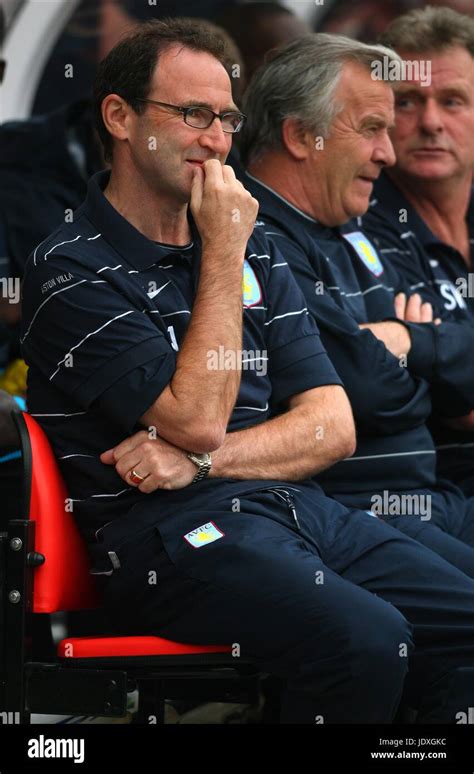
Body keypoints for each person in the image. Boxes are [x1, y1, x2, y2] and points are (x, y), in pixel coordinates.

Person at [20, 19, 474, 724]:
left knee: (462, 626)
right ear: (118, 116)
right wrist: (224, 252)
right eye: (192, 115)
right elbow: (197, 417)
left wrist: (202, 463)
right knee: (368, 641)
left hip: (294, 506)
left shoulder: (251, 244)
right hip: (163, 541)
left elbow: (331, 427)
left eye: (226, 118)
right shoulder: (70, 267)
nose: (215, 139)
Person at [241, 33, 474, 569]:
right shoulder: (258, 237)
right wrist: (428, 366)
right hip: (354, 516)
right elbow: (364, 393)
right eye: (372, 129)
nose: (388, 154)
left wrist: (410, 343)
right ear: (301, 136)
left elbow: (452, 352)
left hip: (432, 500)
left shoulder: (355, 223)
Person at [361, 5, 474, 496]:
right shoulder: (361, 225)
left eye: (453, 100)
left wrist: (435, 347)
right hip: (434, 495)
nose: (431, 122)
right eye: (407, 101)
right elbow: (453, 406)